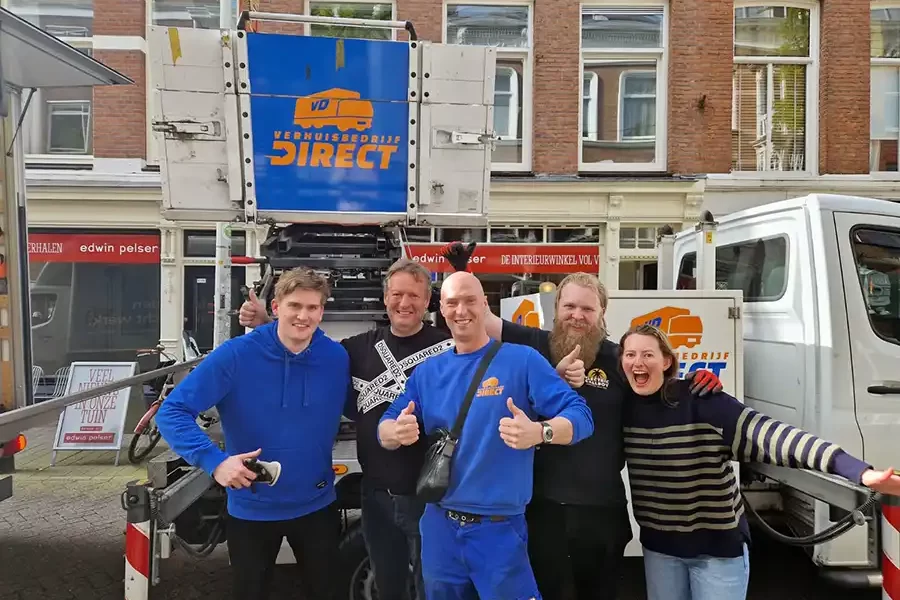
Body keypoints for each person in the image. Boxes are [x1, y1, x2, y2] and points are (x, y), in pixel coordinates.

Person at [238, 254, 469, 600]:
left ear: (427, 301)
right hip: (375, 495)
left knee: (434, 588)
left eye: (414, 295)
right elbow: (307, 344)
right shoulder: (358, 348)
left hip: (431, 498)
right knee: (389, 587)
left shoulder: (451, 349)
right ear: (385, 297)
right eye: (397, 294)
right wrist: (266, 322)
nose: (404, 303)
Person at [481, 270, 722, 600]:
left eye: (587, 308)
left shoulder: (619, 358)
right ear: (556, 308)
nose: (577, 315)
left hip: (602, 512)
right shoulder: (536, 345)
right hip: (542, 509)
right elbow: (483, 320)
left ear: (602, 313)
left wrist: (696, 381)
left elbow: (658, 387)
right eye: (569, 306)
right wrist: (462, 270)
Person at [618, 323, 900, 600]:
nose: (638, 362)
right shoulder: (622, 409)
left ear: (666, 361)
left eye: (648, 354)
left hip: (716, 553)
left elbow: (777, 437)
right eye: (630, 354)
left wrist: (859, 472)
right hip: (660, 552)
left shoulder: (703, 402)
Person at [378, 271, 595, 600]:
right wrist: (395, 431)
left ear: (484, 304)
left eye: (470, 300)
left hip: (499, 530)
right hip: (439, 528)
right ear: (442, 309)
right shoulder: (428, 372)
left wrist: (541, 431)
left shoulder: (522, 361)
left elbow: (581, 415)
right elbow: (385, 426)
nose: (461, 310)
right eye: (452, 302)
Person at [156, 267, 349, 600]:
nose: (303, 316)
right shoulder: (236, 356)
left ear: (322, 312)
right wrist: (215, 462)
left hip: (317, 506)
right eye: (294, 306)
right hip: (252, 509)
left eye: (312, 307)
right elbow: (172, 412)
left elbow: (363, 406)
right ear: (276, 307)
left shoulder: (335, 358)